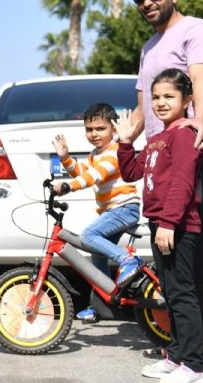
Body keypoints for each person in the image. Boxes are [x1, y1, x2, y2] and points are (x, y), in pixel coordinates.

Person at [129, 0, 203, 368]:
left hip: (195, 150)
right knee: (170, 256)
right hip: (159, 156)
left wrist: (199, 120)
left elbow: (200, 81)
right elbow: (140, 109)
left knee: (200, 246)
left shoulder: (197, 29)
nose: (148, 3)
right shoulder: (150, 47)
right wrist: (118, 141)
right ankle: (182, 341)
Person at [117, 68, 203, 383]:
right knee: (170, 293)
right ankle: (176, 355)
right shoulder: (158, 138)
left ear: (186, 101)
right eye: (155, 97)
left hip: (179, 226)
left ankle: (196, 367)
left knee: (183, 295)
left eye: (169, 96)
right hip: (161, 223)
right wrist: (126, 142)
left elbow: (183, 182)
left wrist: (169, 223)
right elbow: (131, 172)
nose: (160, 102)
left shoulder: (184, 134)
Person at [51, 102, 142, 323]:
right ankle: (102, 305)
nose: (94, 134)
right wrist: (65, 158)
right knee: (97, 257)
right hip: (112, 210)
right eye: (89, 129)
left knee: (88, 236)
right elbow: (83, 172)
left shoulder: (115, 152)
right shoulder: (95, 154)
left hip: (124, 208)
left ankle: (128, 260)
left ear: (113, 129)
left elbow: (95, 176)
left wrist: (68, 187)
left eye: (100, 129)